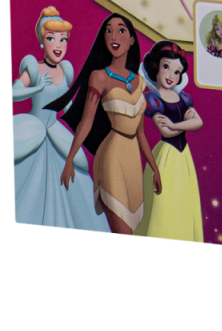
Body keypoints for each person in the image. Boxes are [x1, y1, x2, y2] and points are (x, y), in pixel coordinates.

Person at [50, 14, 162, 236]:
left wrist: (154, 168)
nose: (113, 36)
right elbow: (87, 121)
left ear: (132, 39)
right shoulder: (99, 77)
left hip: (132, 160)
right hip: (111, 156)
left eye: (121, 30)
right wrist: (70, 159)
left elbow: (140, 133)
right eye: (108, 31)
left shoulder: (140, 82)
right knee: (122, 230)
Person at [12, 7, 108, 233]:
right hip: (33, 132)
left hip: (56, 134)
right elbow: (13, 93)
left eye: (63, 39)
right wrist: (36, 88)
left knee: (76, 180)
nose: (58, 45)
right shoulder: (33, 67)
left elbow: (66, 106)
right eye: (51, 38)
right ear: (42, 42)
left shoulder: (65, 70)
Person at [134, 41, 204, 244]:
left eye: (177, 71)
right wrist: (183, 125)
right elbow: (164, 130)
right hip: (166, 157)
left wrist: (175, 125)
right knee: (163, 202)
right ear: (155, 67)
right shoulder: (153, 99)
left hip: (183, 158)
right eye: (166, 67)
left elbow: (199, 122)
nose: (171, 75)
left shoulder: (183, 97)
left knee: (184, 199)